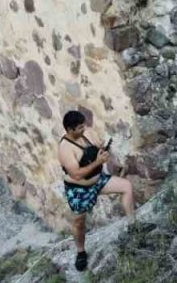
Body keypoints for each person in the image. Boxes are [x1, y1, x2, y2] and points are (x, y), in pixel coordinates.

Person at [57, 110, 135, 272]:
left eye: (83, 126)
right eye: (79, 128)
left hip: (98, 180)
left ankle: (134, 226)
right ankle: (80, 252)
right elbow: (76, 174)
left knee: (126, 186)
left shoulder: (86, 134)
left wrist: (103, 153)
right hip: (79, 189)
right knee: (79, 222)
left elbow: (97, 149)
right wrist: (98, 162)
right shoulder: (65, 149)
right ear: (69, 130)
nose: (83, 129)